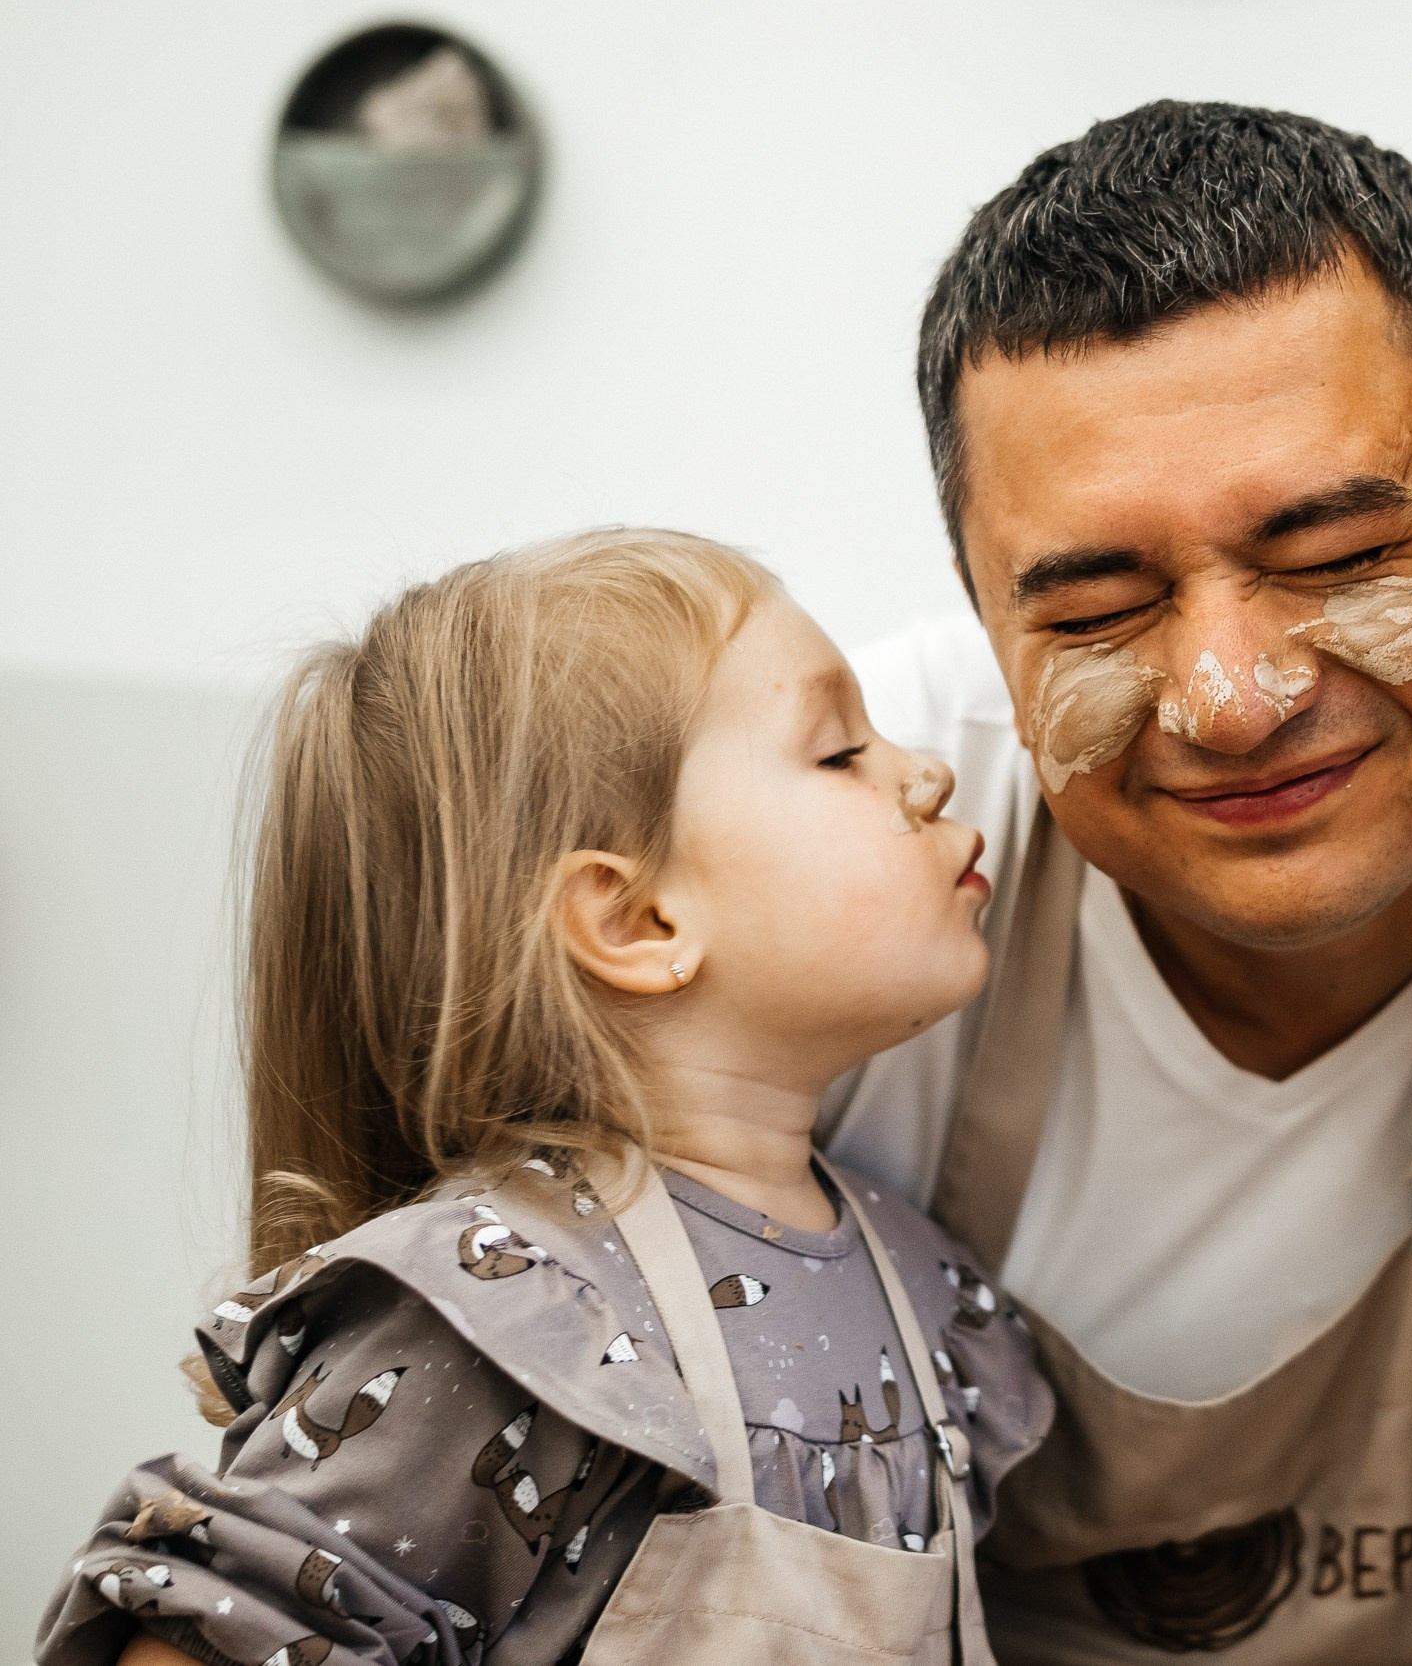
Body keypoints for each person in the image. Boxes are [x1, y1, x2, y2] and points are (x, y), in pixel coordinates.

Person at [823, 102, 1412, 1662]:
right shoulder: (839, 864)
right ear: (977, 634)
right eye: (1096, 603)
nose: (1234, 698)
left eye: (1340, 557)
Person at [36, 530, 1050, 1666]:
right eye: (840, 751)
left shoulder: (928, 1295)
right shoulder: (502, 1322)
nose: (926, 770)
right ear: (636, 922)